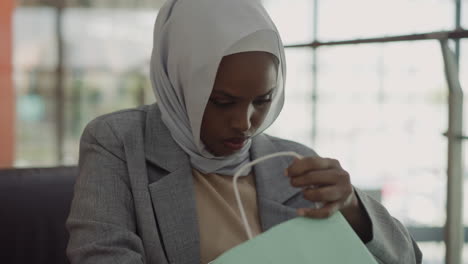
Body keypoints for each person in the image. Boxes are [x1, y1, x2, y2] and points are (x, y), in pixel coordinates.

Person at [66, 0, 423, 263]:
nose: (245, 122)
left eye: (263, 100)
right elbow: (101, 257)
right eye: (222, 101)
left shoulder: (294, 164)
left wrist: (351, 207)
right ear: (179, 85)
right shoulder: (119, 142)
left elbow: (408, 259)